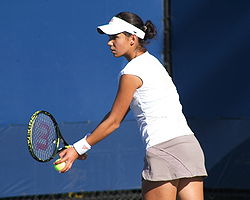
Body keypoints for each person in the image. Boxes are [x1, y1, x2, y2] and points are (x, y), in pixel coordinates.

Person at [55, 11, 207, 200]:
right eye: (110, 38)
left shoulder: (131, 73)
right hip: (189, 146)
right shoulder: (153, 63)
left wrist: (78, 149)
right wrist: (82, 145)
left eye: (115, 37)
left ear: (132, 38)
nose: (109, 42)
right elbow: (115, 114)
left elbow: (114, 121)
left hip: (163, 149)